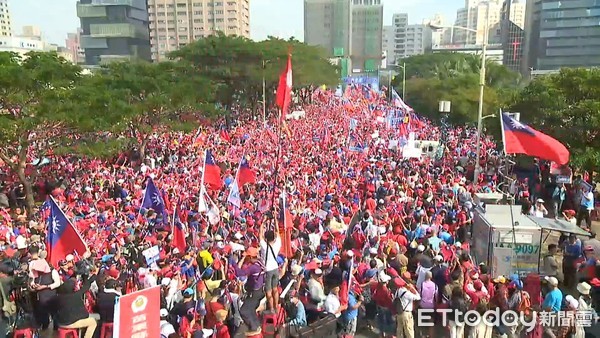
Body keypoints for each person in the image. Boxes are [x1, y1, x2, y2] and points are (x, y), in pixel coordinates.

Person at [55, 271, 98, 338]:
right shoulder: (76, 295)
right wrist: (87, 278)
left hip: (60, 323)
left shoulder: (58, 297)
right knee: (93, 322)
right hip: (70, 323)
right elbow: (86, 288)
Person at [238, 247, 264, 335]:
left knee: (244, 311)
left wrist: (242, 259)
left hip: (255, 292)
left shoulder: (253, 267)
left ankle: (254, 327)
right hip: (260, 290)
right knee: (251, 309)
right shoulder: (260, 263)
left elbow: (239, 272)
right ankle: (257, 325)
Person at [259, 224, 281, 313]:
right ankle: (276, 307)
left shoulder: (264, 246)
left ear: (266, 238)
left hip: (268, 270)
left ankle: (271, 308)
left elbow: (260, 235)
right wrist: (276, 220)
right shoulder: (277, 244)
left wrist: (263, 222)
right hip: (275, 268)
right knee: (275, 289)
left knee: (268, 291)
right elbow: (278, 232)